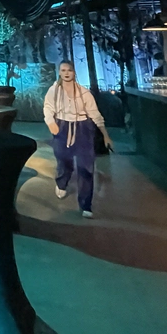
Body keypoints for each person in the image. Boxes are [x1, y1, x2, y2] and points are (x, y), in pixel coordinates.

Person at [43, 61, 113, 218]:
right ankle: (62, 183)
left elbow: (95, 114)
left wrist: (105, 134)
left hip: (83, 128)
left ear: (74, 72)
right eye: (63, 70)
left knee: (86, 166)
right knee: (63, 160)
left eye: (69, 70)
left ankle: (86, 204)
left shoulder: (84, 92)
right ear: (59, 72)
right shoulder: (54, 91)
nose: (66, 73)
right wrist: (51, 122)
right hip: (62, 126)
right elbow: (48, 108)